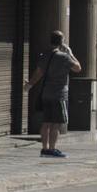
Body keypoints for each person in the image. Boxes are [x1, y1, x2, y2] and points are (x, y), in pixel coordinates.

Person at [25, 30, 82, 158]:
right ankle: (52, 148)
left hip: (46, 93)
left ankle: (44, 149)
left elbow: (38, 73)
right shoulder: (64, 57)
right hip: (59, 95)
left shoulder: (45, 55)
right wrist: (70, 53)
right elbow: (78, 68)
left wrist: (29, 85)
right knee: (56, 124)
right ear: (62, 42)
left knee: (46, 122)